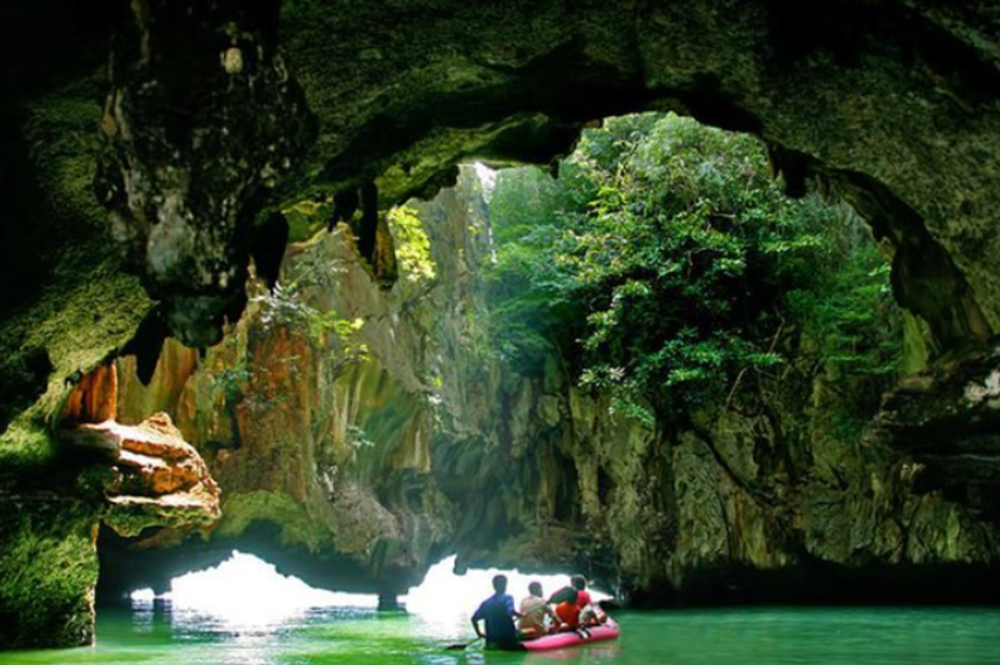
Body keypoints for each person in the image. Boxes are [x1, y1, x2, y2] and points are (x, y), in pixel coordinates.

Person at [471, 574, 521, 650]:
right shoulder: (507, 598)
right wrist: (521, 615)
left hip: (491, 642)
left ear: (493, 586)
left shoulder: (486, 603)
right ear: (505, 585)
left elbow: (473, 619)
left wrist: (479, 634)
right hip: (508, 641)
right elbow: (511, 611)